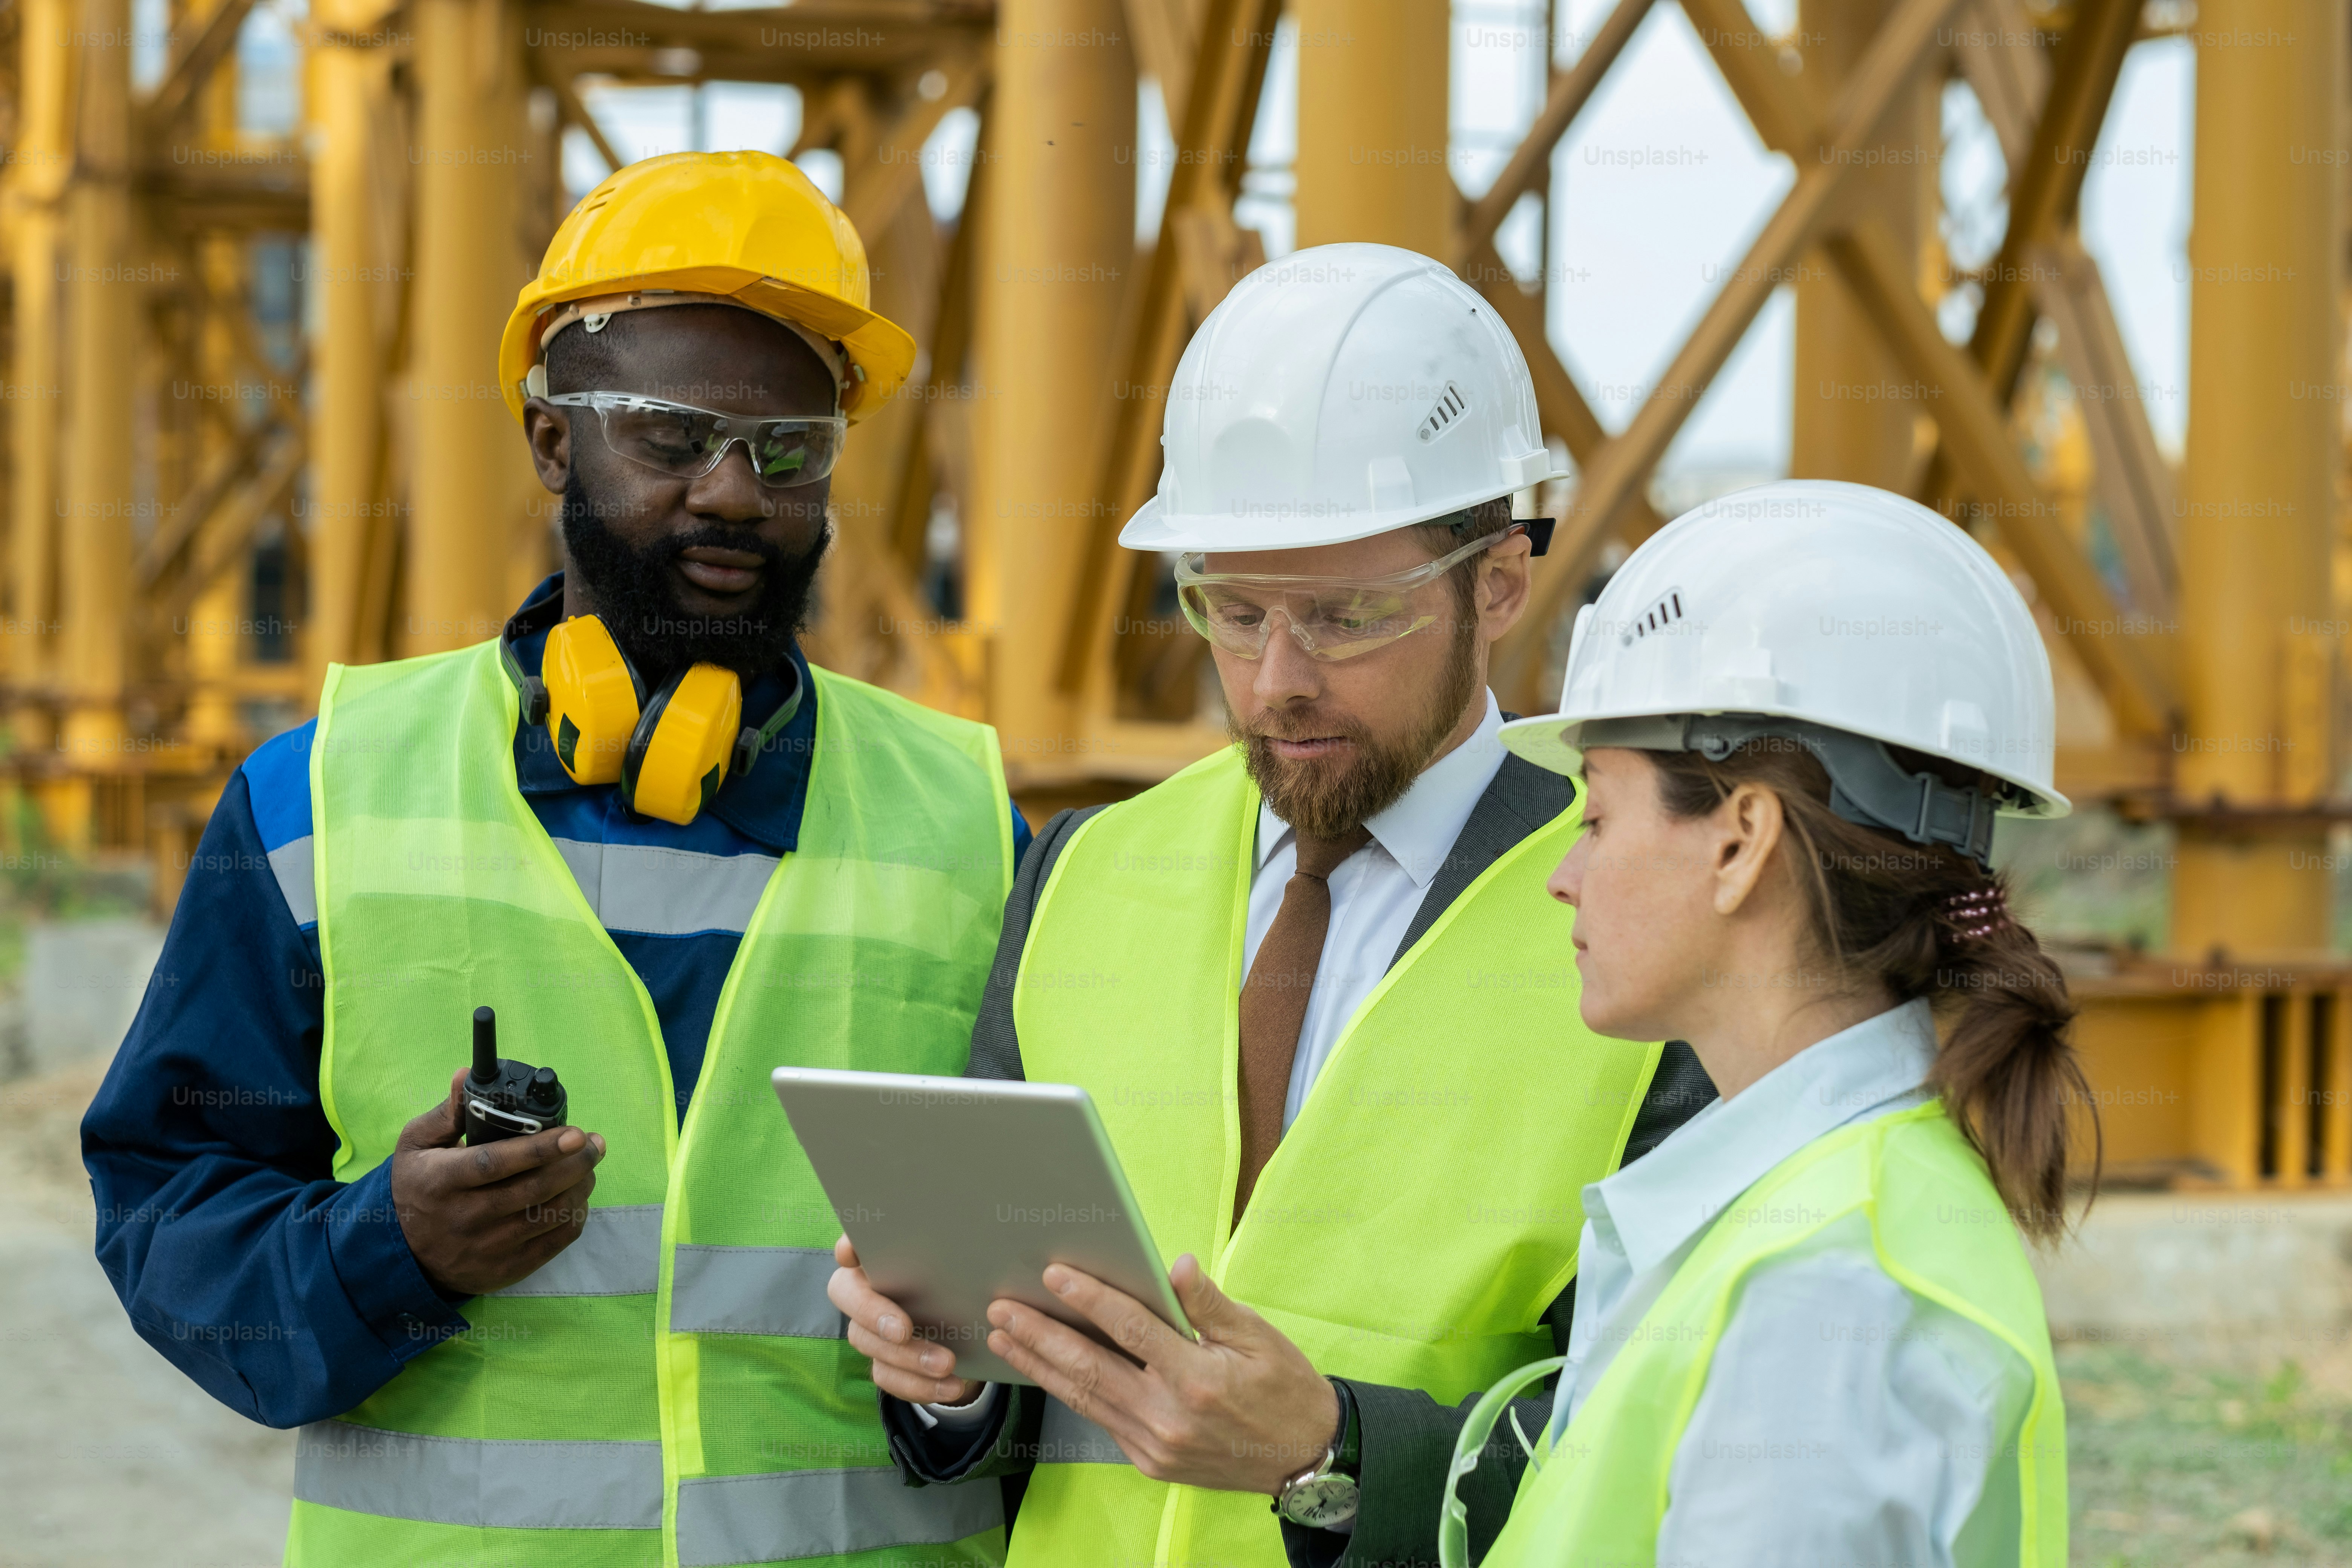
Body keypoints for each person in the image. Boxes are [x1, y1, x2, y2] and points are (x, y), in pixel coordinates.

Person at [82, 151, 1027, 1567]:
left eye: (786, 450)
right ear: (547, 443)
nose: (730, 493)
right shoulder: (320, 799)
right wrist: (382, 1250)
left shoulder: (969, 827)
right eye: (667, 435)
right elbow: (170, 1212)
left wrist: (971, 1404)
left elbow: (1060, 1277)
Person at [825, 242, 1716, 1567]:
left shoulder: (1652, 904)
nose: (1277, 679)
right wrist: (946, 1378)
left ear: (1500, 583)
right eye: (1231, 612)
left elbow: (1669, 1425)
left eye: (1347, 617)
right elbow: (1018, 1414)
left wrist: (1335, 1457)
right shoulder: (1083, 872)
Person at [1453, 478, 2083, 1566]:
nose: (1563, 876)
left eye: (1598, 815)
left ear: (1742, 839)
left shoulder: (1826, 1290)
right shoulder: (1822, 1214)